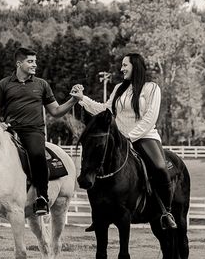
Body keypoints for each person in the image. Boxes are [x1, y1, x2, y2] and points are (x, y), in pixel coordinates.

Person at [71, 53, 177, 230]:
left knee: (159, 168)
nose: (122, 69)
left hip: (145, 137)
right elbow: (105, 110)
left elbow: (150, 117)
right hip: (119, 139)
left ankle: (166, 212)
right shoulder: (120, 88)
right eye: (122, 65)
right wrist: (82, 99)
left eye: (125, 65)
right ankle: (98, 215)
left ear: (135, 65)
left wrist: (130, 137)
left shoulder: (152, 88)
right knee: (96, 164)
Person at [0, 46, 78, 216]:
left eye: (35, 61)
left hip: (33, 131)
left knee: (36, 154)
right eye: (30, 61)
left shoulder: (42, 84)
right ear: (19, 63)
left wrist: (73, 101)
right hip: (9, 131)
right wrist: (0, 125)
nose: (35, 65)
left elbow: (55, 111)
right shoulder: (4, 84)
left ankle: (42, 197)